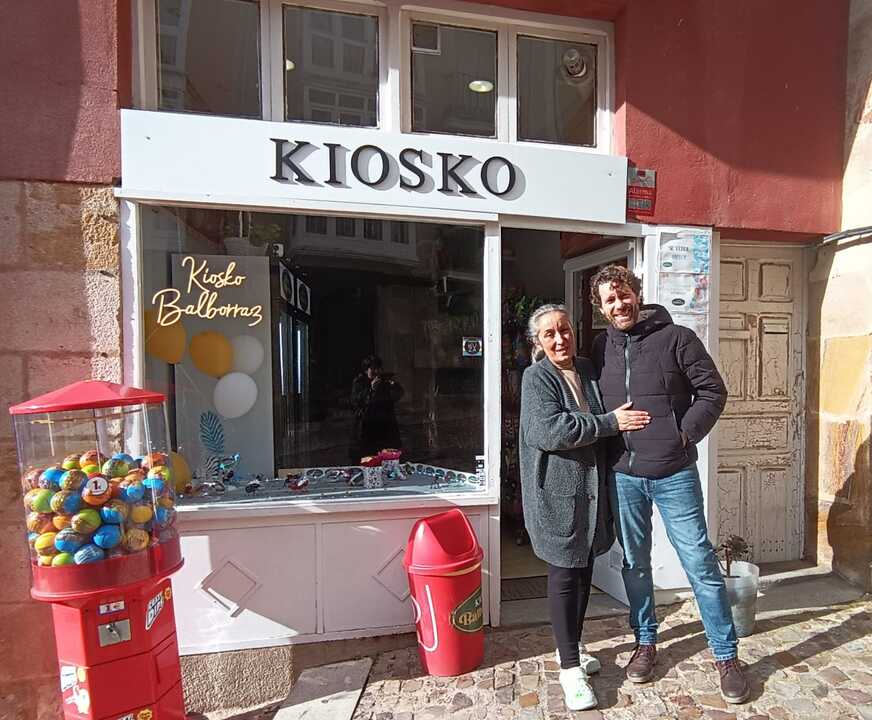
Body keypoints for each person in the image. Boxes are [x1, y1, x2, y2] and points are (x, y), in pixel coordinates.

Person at [589, 264, 750, 705]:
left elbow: (713, 392)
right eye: (610, 300)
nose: (619, 304)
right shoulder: (601, 347)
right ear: (601, 309)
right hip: (624, 474)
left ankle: (726, 656)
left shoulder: (677, 338)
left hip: (674, 472)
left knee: (699, 563)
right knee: (635, 565)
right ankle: (645, 642)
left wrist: (681, 435)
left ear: (637, 294)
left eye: (624, 295)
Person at [519, 304, 650, 711]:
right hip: (557, 497)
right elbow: (550, 431)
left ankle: (571, 648)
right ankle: (570, 670)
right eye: (549, 334)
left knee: (583, 574)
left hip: (591, 496)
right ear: (537, 342)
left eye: (565, 330)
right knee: (564, 576)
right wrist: (611, 423)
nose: (560, 339)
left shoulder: (588, 369)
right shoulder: (536, 377)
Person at [351, 355, 404, 458]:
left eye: (378, 368)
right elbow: (357, 401)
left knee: (387, 455)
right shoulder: (359, 382)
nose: (376, 371)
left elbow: (397, 395)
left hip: (385, 426)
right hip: (368, 426)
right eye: (373, 368)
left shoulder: (384, 381)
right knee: (369, 456)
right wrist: (371, 389)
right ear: (366, 370)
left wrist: (394, 385)